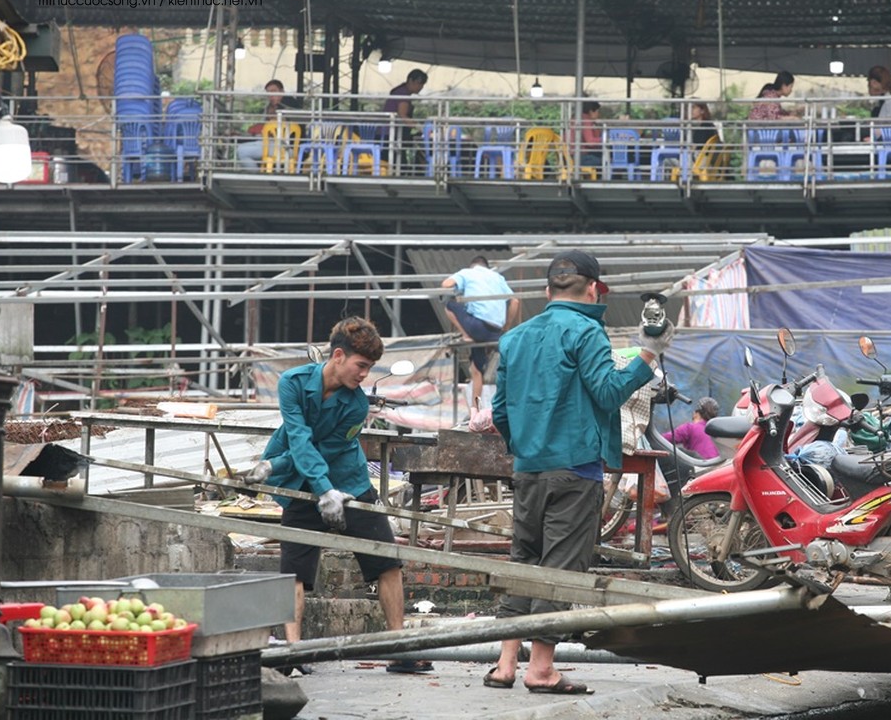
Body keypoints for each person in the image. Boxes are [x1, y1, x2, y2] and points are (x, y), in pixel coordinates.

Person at [483, 250, 673, 695]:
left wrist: (524, 449)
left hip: (528, 469)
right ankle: (542, 669)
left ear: (548, 291)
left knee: (523, 561)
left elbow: (499, 411)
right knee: (560, 568)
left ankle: (506, 663)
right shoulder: (587, 331)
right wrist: (648, 355)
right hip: (575, 470)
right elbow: (608, 394)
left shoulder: (514, 338)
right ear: (592, 289)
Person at [243, 316, 431, 676]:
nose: (364, 375)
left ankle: (398, 645)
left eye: (370, 368)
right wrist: (286, 471)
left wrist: (281, 468)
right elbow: (300, 440)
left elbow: (327, 451)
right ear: (339, 356)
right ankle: (292, 652)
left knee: (386, 561)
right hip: (301, 484)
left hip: (349, 483)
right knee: (293, 571)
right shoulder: (292, 383)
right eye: (362, 366)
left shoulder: (356, 405)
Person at [441, 256, 520, 409]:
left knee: (449, 305)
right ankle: (477, 408)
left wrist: (458, 290)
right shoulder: (498, 277)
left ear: (473, 266)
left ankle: (466, 335)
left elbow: (446, 284)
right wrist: (506, 328)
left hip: (476, 328)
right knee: (477, 370)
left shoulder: (468, 273)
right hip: (496, 331)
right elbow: (515, 301)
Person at [237, 79, 300, 171]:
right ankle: (259, 173)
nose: (271, 96)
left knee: (241, 151)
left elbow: (274, 128)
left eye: (274, 92)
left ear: (282, 92)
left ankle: (257, 176)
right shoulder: (271, 107)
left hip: (285, 147)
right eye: (268, 93)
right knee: (242, 149)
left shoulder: (288, 105)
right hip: (273, 144)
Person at [384, 69, 429, 174]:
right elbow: (402, 115)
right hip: (389, 134)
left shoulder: (401, 92)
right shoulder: (402, 93)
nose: (421, 87)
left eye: (422, 84)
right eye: (419, 83)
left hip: (395, 133)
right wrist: (419, 127)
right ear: (410, 80)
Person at [664, 396, 721, 460]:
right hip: (722, 467)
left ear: (696, 413)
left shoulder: (690, 428)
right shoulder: (720, 432)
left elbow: (662, 440)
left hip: (701, 467)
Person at [578, 101, 603, 171]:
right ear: (591, 111)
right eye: (598, 112)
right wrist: (603, 139)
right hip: (579, 157)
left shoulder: (579, 117)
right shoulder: (586, 121)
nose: (599, 114)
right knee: (606, 161)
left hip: (571, 155)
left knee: (602, 155)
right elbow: (590, 142)